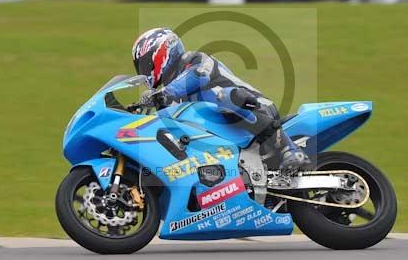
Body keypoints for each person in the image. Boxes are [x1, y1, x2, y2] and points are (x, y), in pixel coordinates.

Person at [131, 27, 309, 172]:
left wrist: (164, 93)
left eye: (146, 64)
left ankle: (290, 150)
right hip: (228, 135)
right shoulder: (167, 98)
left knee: (226, 97)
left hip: (257, 108)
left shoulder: (193, 59)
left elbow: (197, 76)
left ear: (162, 51)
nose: (144, 71)